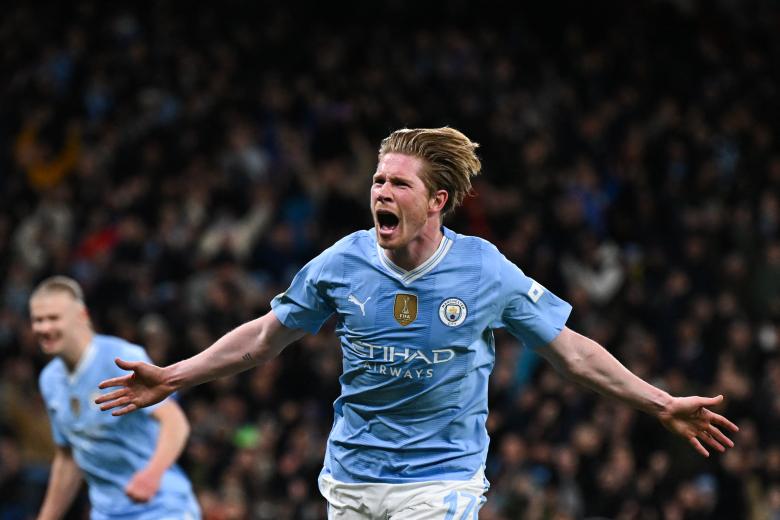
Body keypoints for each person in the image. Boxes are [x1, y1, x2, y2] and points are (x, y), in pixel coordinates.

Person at [96, 127, 739, 519]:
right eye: (377, 179)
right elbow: (265, 337)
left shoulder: (486, 271)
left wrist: (659, 404)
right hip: (350, 472)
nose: (382, 191)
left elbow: (571, 352)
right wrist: (174, 376)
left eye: (399, 183)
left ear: (436, 202)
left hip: (441, 480)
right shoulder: (341, 263)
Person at [30, 276, 201, 520]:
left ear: (82, 315)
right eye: (38, 320)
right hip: (107, 513)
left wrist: (151, 475)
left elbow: (175, 421)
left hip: (160, 506)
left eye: (53, 318)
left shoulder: (121, 358)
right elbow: (69, 456)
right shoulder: (49, 380)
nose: (44, 328)